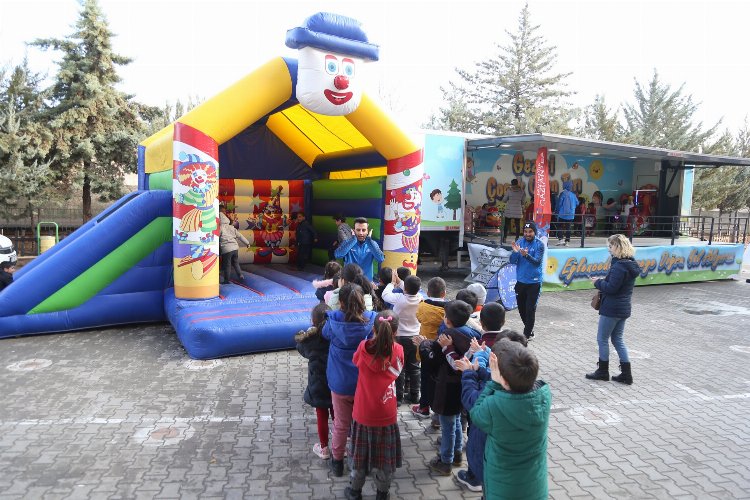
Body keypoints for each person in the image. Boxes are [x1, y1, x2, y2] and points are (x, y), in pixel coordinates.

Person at [469, 339, 552, 500]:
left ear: (504, 381)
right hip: (535, 485)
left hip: (502, 488)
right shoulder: (544, 394)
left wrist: (493, 383)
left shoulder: (495, 405)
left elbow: (476, 414)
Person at [454, 327, 527, 493]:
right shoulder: (524, 383)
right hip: (515, 470)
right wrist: (480, 368)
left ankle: (475, 479)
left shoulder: (495, 390)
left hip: (490, 461)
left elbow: (472, 402)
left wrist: (468, 373)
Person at [345, 311, 405, 500]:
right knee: (384, 460)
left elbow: (356, 362)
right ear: (395, 332)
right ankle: (382, 493)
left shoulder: (364, 347)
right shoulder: (399, 350)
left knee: (359, 458)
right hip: (387, 413)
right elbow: (398, 371)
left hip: (363, 412)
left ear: (373, 329)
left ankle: (355, 492)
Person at [321, 283, 378, 477]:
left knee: (341, 424)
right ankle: (361, 460)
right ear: (363, 300)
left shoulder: (333, 320)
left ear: (341, 302)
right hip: (363, 383)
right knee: (362, 424)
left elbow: (325, 334)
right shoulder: (371, 321)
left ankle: (337, 462)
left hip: (339, 382)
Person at [427, 300, 481, 476]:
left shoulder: (447, 336)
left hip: (448, 387)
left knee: (448, 424)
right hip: (464, 386)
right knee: (456, 419)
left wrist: (444, 348)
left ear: (447, 320)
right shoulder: (473, 334)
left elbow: (456, 364)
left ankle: (446, 461)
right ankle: (457, 453)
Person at [586, 234, 640, 385]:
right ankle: (626, 374)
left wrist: (597, 283)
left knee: (602, 338)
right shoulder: (630, 263)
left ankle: (603, 371)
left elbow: (611, 288)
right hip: (623, 308)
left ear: (618, 247)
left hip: (612, 308)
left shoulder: (619, 266)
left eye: (611, 246)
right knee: (617, 339)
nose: (609, 249)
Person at [295, 303, 335, 460]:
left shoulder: (312, 339)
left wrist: (307, 333)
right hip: (335, 379)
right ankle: (342, 446)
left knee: (321, 414)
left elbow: (300, 347)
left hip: (318, 383)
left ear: (313, 321)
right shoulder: (335, 335)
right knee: (338, 414)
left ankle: (324, 447)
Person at [382, 273, 422, 405]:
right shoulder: (421, 298)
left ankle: (398, 396)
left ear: (404, 289)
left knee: (400, 367)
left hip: (399, 337)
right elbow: (411, 288)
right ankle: (415, 394)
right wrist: (400, 281)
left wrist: (392, 283)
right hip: (415, 337)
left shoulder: (399, 298)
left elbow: (385, 295)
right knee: (415, 367)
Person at [412, 277, 447, 419]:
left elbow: (418, 318)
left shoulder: (422, 306)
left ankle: (424, 407)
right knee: (439, 380)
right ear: (444, 293)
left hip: (425, 348)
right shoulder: (448, 309)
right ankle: (438, 412)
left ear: (427, 292)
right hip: (442, 349)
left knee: (425, 379)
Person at [510, 221, 545, 341]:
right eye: (525, 232)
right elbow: (512, 261)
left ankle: (525, 335)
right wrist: (515, 253)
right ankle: (530, 331)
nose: (527, 234)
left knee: (530, 309)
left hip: (534, 282)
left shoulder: (540, 245)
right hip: (521, 281)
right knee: (521, 308)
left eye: (530, 232)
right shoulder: (519, 242)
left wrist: (526, 255)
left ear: (534, 232)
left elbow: (537, 262)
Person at [334, 217, 385, 282]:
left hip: (366, 283)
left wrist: (369, 241)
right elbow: (338, 255)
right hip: (350, 283)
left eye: (363, 230)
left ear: (367, 231)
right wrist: (353, 240)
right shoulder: (348, 242)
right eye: (358, 230)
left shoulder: (372, 244)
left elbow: (381, 259)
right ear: (353, 230)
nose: (361, 233)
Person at [219, 211, 250, 284]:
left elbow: (216, 236)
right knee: (236, 263)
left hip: (227, 249)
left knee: (228, 265)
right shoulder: (232, 228)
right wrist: (247, 243)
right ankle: (240, 274)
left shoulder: (220, 228)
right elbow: (240, 236)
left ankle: (226, 280)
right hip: (235, 248)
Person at [555, 180, 579, 246]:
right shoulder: (573, 195)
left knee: (559, 226)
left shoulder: (562, 194)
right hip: (571, 215)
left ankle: (561, 240)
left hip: (562, 214)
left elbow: (559, 204)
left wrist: (556, 212)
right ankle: (567, 242)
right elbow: (577, 203)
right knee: (568, 227)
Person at [501, 178, 525, 243]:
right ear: (517, 183)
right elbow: (523, 202)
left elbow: (504, 200)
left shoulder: (509, 190)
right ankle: (517, 238)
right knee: (517, 225)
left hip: (509, 210)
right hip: (518, 210)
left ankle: (504, 238)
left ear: (511, 184)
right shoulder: (522, 191)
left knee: (506, 224)